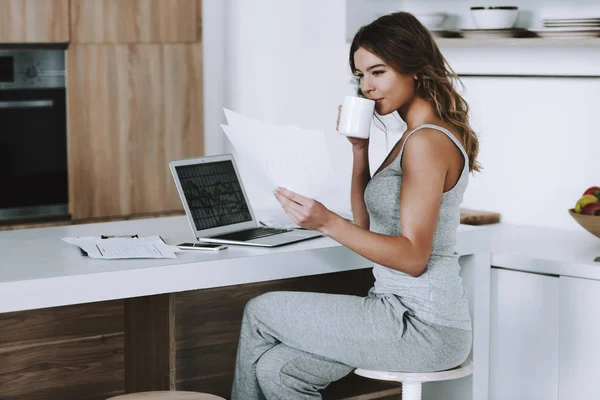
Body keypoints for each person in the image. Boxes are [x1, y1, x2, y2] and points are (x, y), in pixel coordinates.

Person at [231, 11, 481, 400]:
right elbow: (368, 226)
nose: (366, 86)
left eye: (377, 72)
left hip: (423, 326)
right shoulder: (411, 137)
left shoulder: (426, 142)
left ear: (414, 68)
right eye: (360, 75)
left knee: (261, 310)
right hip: (393, 312)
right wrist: (359, 150)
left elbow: (414, 257)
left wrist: (326, 221)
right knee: (278, 370)